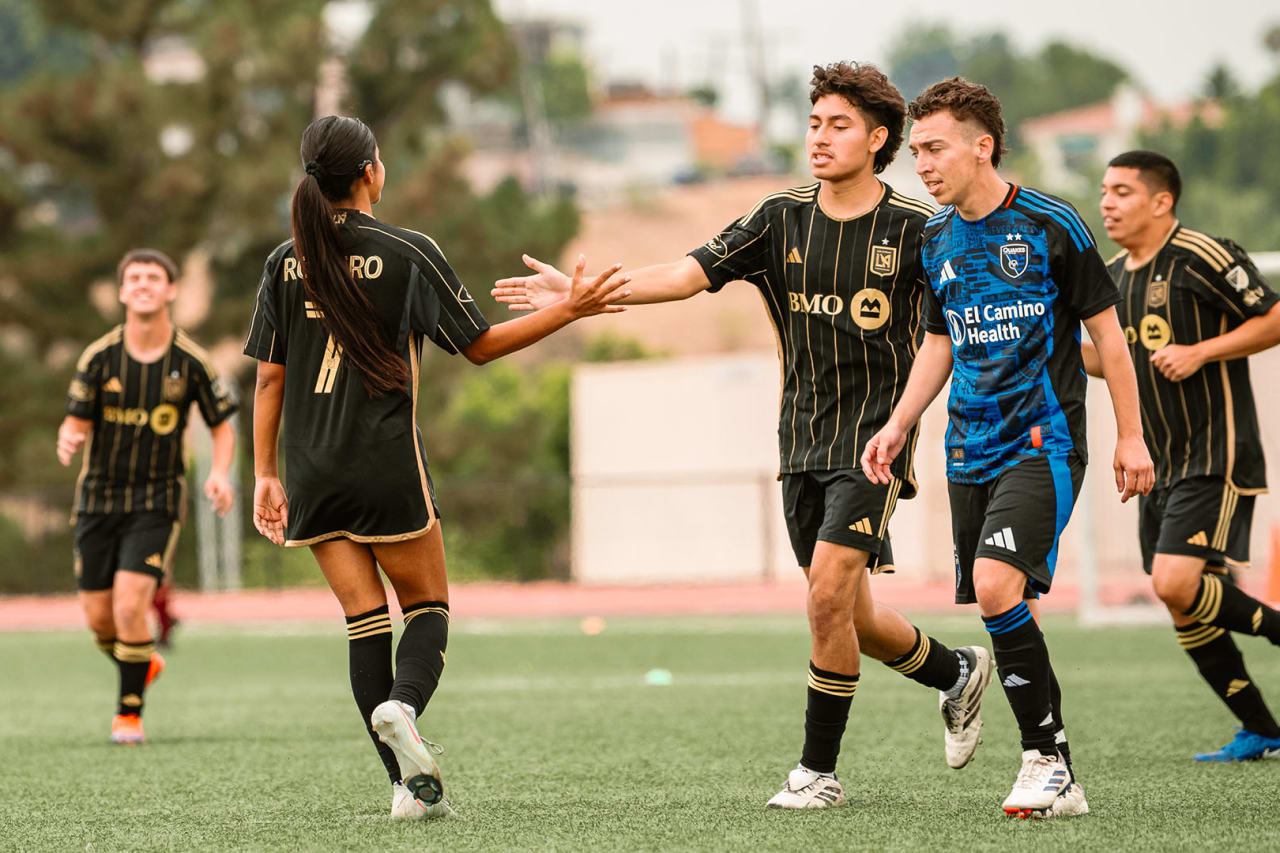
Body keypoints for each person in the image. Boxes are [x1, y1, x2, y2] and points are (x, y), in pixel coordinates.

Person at [492, 62, 995, 810]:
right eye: (815, 123)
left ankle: (816, 773)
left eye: (839, 125)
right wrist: (583, 297)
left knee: (825, 598)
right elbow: (686, 273)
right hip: (799, 445)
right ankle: (956, 672)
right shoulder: (778, 217)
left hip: (873, 447)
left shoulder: (920, 232)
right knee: (848, 614)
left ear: (879, 138)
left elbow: (961, 328)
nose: (819, 138)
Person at [244, 115, 629, 820]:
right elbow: (478, 345)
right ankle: (404, 706)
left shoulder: (283, 259)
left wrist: (264, 474)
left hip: (310, 473)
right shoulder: (406, 251)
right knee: (427, 609)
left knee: (365, 622)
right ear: (368, 173)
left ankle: (404, 788)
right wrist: (571, 309)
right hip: (385, 465)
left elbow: (268, 380)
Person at [862, 77, 1154, 818]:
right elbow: (938, 341)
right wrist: (899, 424)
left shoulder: (1054, 225)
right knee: (1006, 602)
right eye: (915, 151)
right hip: (967, 450)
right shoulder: (934, 238)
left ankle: (1044, 762)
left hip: (1044, 439)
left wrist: (1131, 434)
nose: (920, 164)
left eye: (933, 148)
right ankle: (1061, 773)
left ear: (981, 145)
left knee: (996, 586)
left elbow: (1111, 343)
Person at [1091, 149, 1280, 761]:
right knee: (1183, 601)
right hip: (1158, 463)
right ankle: (1262, 730)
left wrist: (1202, 351)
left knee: (1174, 583)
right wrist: (1041, 342)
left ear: (1161, 200)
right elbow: (1104, 359)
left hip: (1216, 453)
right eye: (1104, 191)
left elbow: (1274, 318)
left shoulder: (1203, 254)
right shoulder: (1112, 277)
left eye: (1121, 191)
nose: (1107, 203)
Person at [57, 248, 237, 745]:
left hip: (156, 501)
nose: (142, 284)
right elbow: (76, 417)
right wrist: (70, 435)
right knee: (100, 622)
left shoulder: (192, 362)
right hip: (97, 500)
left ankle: (128, 714)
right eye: (133, 277)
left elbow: (222, 427)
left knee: (131, 605)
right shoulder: (98, 357)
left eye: (153, 277)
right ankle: (144, 662)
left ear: (170, 290)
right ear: (121, 292)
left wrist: (220, 474)